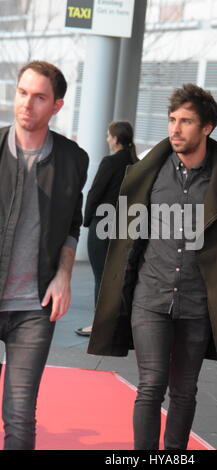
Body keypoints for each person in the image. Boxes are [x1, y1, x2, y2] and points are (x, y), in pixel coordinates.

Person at [88, 83, 217, 450]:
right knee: (151, 385)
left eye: (186, 121)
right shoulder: (148, 174)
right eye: (172, 119)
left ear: (207, 128)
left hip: (199, 303)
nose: (175, 128)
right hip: (150, 296)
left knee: (184, 391)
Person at [0, 61, 89, 450]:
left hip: (34, 306)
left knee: (20, 415)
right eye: (22, 93)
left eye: (39, 97)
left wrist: (64, 275)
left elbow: (72, 223)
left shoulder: (73, 160)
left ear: (56, 106)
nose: (26, 104)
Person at [75, 121, 138, 336]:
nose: (107, 139)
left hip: (102, 225)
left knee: (101, 277)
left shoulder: (110, 162)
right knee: (120, 277)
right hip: (125, 226)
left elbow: (95, 192)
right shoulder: (135, 163)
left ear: (117, 139)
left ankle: (100, 325)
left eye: (109, 136)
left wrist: (86, 220)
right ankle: (119, 324)